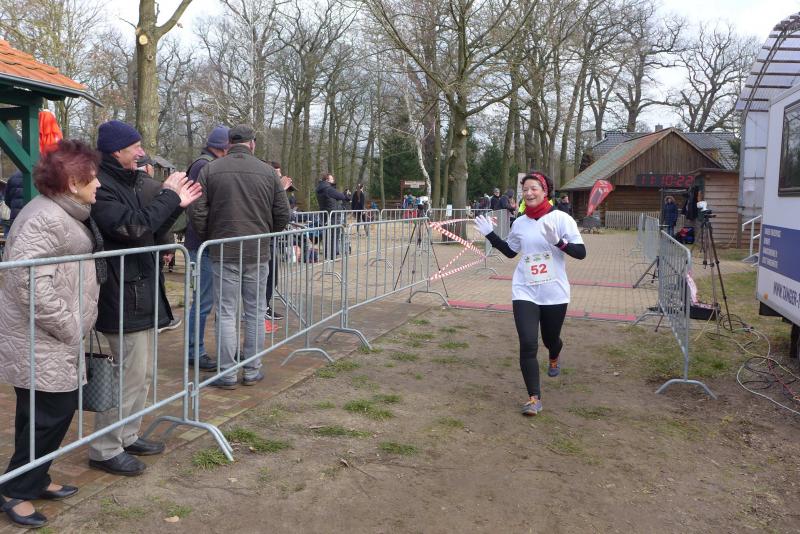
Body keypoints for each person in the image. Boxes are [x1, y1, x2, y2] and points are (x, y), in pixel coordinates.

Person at [88, 120, 202, 476]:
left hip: (140, 290)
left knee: (143, 373)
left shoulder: (129, 182)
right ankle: (105, 449)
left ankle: (127, 435)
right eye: (134, 146)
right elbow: (133, 228)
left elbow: (148, 229)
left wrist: (176, 204)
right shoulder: (100, 186)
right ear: (115, 151)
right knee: (126, 375)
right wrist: (169, 195)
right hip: (120, 294)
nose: (141, 152)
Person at [0, 140, 103, 528]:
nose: (98, 185)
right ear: (73, 182)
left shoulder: (61, 212)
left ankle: (34, 477)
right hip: (43, 338)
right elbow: (27, 281)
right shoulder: (46, 217)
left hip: (47, 338)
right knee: (50, 415)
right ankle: (15, 490)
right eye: (93, 178)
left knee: (40, 415)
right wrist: (69, 325)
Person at [473, 171, 586, 416]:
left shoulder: (561, 219)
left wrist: (560, 242)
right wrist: (490, 235)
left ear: (545, 191)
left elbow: (581, 253)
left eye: (534, 188)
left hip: (554, 292)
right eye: (525, 189)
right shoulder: (520, 222)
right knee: (527, 343)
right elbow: (511, 252)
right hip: (525, 289)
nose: (529, 193)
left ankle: (554, 354)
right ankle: (534, 398)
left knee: (550, 339)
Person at [188, 124, 290, 389]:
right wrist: (266, 235)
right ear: (252, 143)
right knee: (255, 311)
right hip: (257, 251)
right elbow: (283, 213)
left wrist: (212, 236)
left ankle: (227, 374)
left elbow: (197, 211)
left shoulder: (211, 170)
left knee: (226, 312)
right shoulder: (268, 172)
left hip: (224, 250)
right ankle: (252, 370)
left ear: (229, 143)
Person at [185, 126, 229, 370]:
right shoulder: (204, 166)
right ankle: (194, 351)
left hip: (206, 242)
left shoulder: (206, 164)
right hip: (202, 244)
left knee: (206, 301)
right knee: (202, 302)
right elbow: (197, 208)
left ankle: (199, 349)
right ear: (223, 147)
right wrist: (208, 236)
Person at [264, 161, 294, 322]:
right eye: (277, 173)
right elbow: (282, 213)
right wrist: (280, 190)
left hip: (269, 237)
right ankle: (261, 308)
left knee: (271, 277)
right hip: (264, 238)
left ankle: (263, 306)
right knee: (266, 277)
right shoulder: (265, 186)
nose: (280, 176)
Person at [315, 173, 350, 259]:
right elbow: (341, 196)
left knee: (327, 236)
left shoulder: (320, 189)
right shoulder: (328, 189)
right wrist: (347, 195)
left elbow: (333, 197)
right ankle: (332, 256)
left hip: (325, 215)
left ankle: (328, 254)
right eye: (332, 179)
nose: (333, 180)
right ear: (327, 180)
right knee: (334, 236)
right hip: (333, 215)